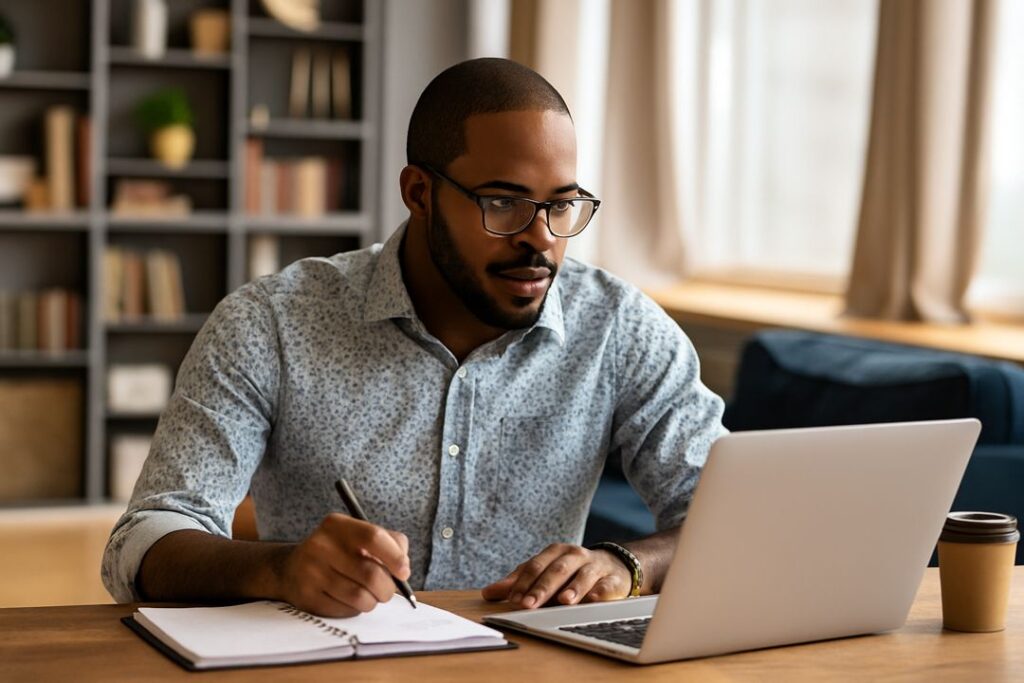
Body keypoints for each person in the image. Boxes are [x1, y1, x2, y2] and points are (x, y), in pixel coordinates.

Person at [102, 58, 726, 617]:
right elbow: (145, 541)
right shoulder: (271, 323)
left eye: (561, 206)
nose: (541, 239)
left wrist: (626, 564)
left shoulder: (619, 329)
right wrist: (279, 568)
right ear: (419, 193)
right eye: (503, 203)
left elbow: (733, 519)